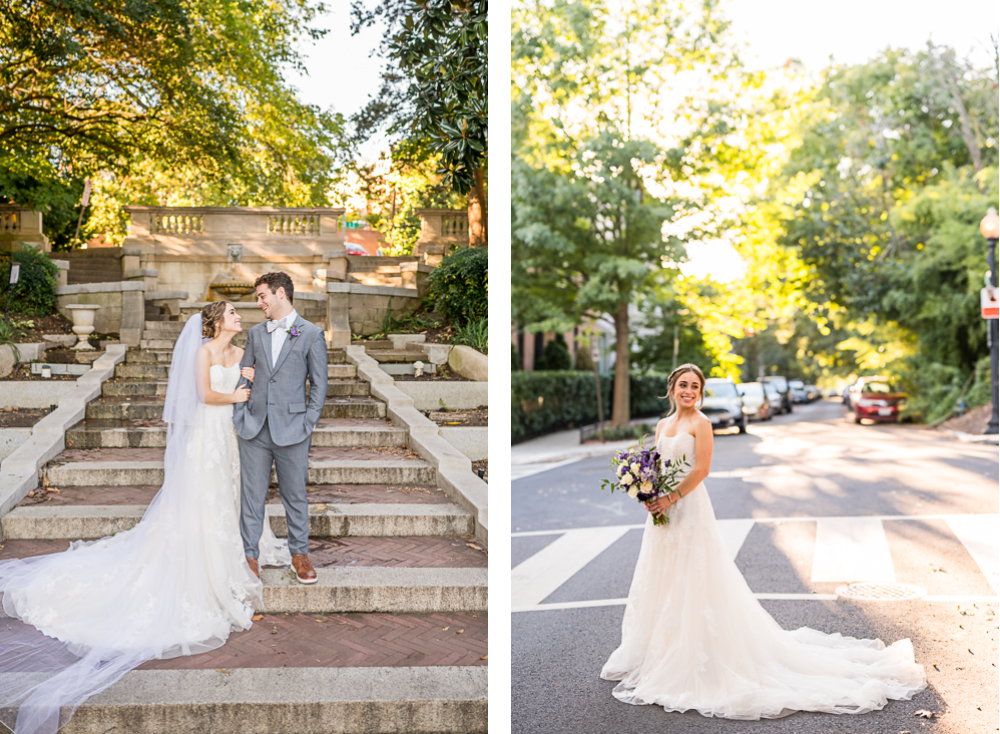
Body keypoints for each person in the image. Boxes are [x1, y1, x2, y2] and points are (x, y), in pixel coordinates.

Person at [0, 302, 287, 734]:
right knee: (205, 499)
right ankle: (209, 559)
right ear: (213, 322)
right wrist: (236, 393)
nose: (238, 316)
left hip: (231, 436)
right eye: (231, 313)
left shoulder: (239, 351)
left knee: (234, 493)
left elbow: (250, 380)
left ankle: (244, 546)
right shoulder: (204, 352)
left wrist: (248, 382)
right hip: (207, 432)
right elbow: (204, 396)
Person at [600, 363, 926, 719]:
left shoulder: (701, 424)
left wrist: (670, 498)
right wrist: (648, 491)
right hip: (662, 513)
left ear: (701, 391)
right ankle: (660, 650)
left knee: (694, 577)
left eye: (695, 386)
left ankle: (697, 652)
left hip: (689, 509)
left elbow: (701, 470)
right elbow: (658, 466)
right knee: (663, 576)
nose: (688, 391)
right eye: (683, 385)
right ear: (672, 388)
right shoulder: (663, 425)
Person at [233, 272, 328, 584]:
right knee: (251, 496)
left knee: (295, 495)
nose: (259, 302)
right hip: (255, 429)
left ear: (280, 294)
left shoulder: (311, 333)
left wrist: (308, 423)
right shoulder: (256, 333)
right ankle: (250, 556)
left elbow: (319, 385)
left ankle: (299, 555)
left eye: (262, 296)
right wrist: (240, 414)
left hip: (293, 430)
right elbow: (245, 376)